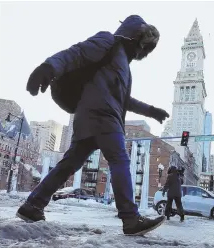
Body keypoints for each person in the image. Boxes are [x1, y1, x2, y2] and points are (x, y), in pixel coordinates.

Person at [16, 15, 169, 235]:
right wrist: (48, 67)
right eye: (142, 45)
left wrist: (151, 111)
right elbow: (76, 53)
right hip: (103, 116)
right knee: (119, 159)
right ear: (135, 36)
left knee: (67, 165)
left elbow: (125, 100)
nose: (141, 52)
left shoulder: (125, 66)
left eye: (145, 50)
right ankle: (130, 218)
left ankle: (33, 205)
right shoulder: (109, 42)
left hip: (91, 118)